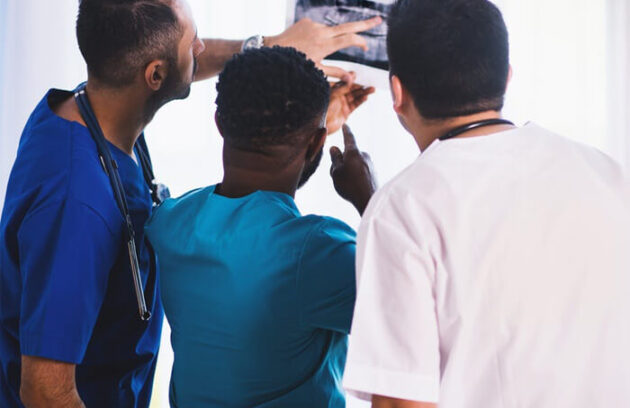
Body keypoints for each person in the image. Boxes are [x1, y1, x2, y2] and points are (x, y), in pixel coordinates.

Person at [0, 0, 381, 406]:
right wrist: (370, 199)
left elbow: (172, 65)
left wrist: (288, 102)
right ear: (155, 74)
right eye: (193, 40)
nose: (201, 48)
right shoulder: (75, 204)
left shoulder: (93, 113)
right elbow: (45, 391)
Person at [342, 0, 630, 407]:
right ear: (507, 77)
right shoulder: (608, 175)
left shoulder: (401, 207)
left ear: (397, 91)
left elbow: (399, 402)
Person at [144, 46, 376, 408]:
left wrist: (307, 135)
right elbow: (413, 309)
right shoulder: (316, 253)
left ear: (219, 123)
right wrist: (371, 200)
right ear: (318, 142)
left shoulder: (170, 223)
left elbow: (258, 218)